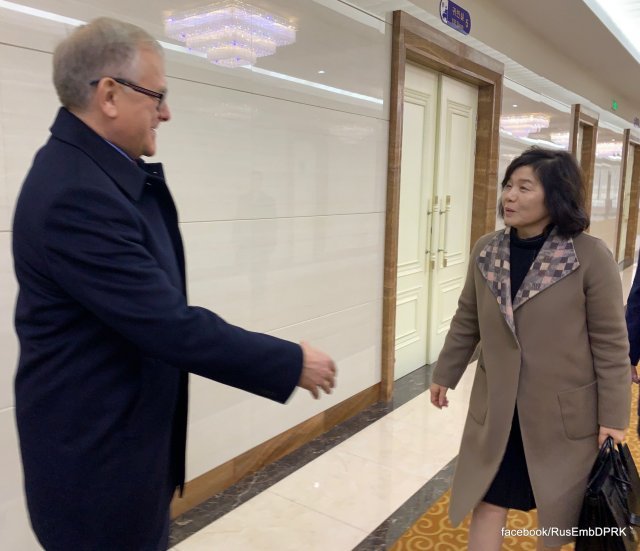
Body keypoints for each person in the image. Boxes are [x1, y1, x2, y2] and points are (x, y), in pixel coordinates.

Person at [12, 17, 336, 551]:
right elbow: (166, 324)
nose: (166, 112)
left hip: (121, 453)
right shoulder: (77, 194)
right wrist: (288, 361)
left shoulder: (92, 174)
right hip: (97, 469)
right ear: (110, 95)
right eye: (157, 96)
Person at [429, 147, 631, 550]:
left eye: (524, 187)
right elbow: (468, 317)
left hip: (562, 414)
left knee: (559, 515)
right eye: (508, 185)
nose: (510, 196)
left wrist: (614, 415)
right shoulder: (488, 250)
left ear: (555, 196)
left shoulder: (589, 256)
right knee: (488, 499)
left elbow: (611, 344)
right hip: (500, 410)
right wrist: (444, 373)